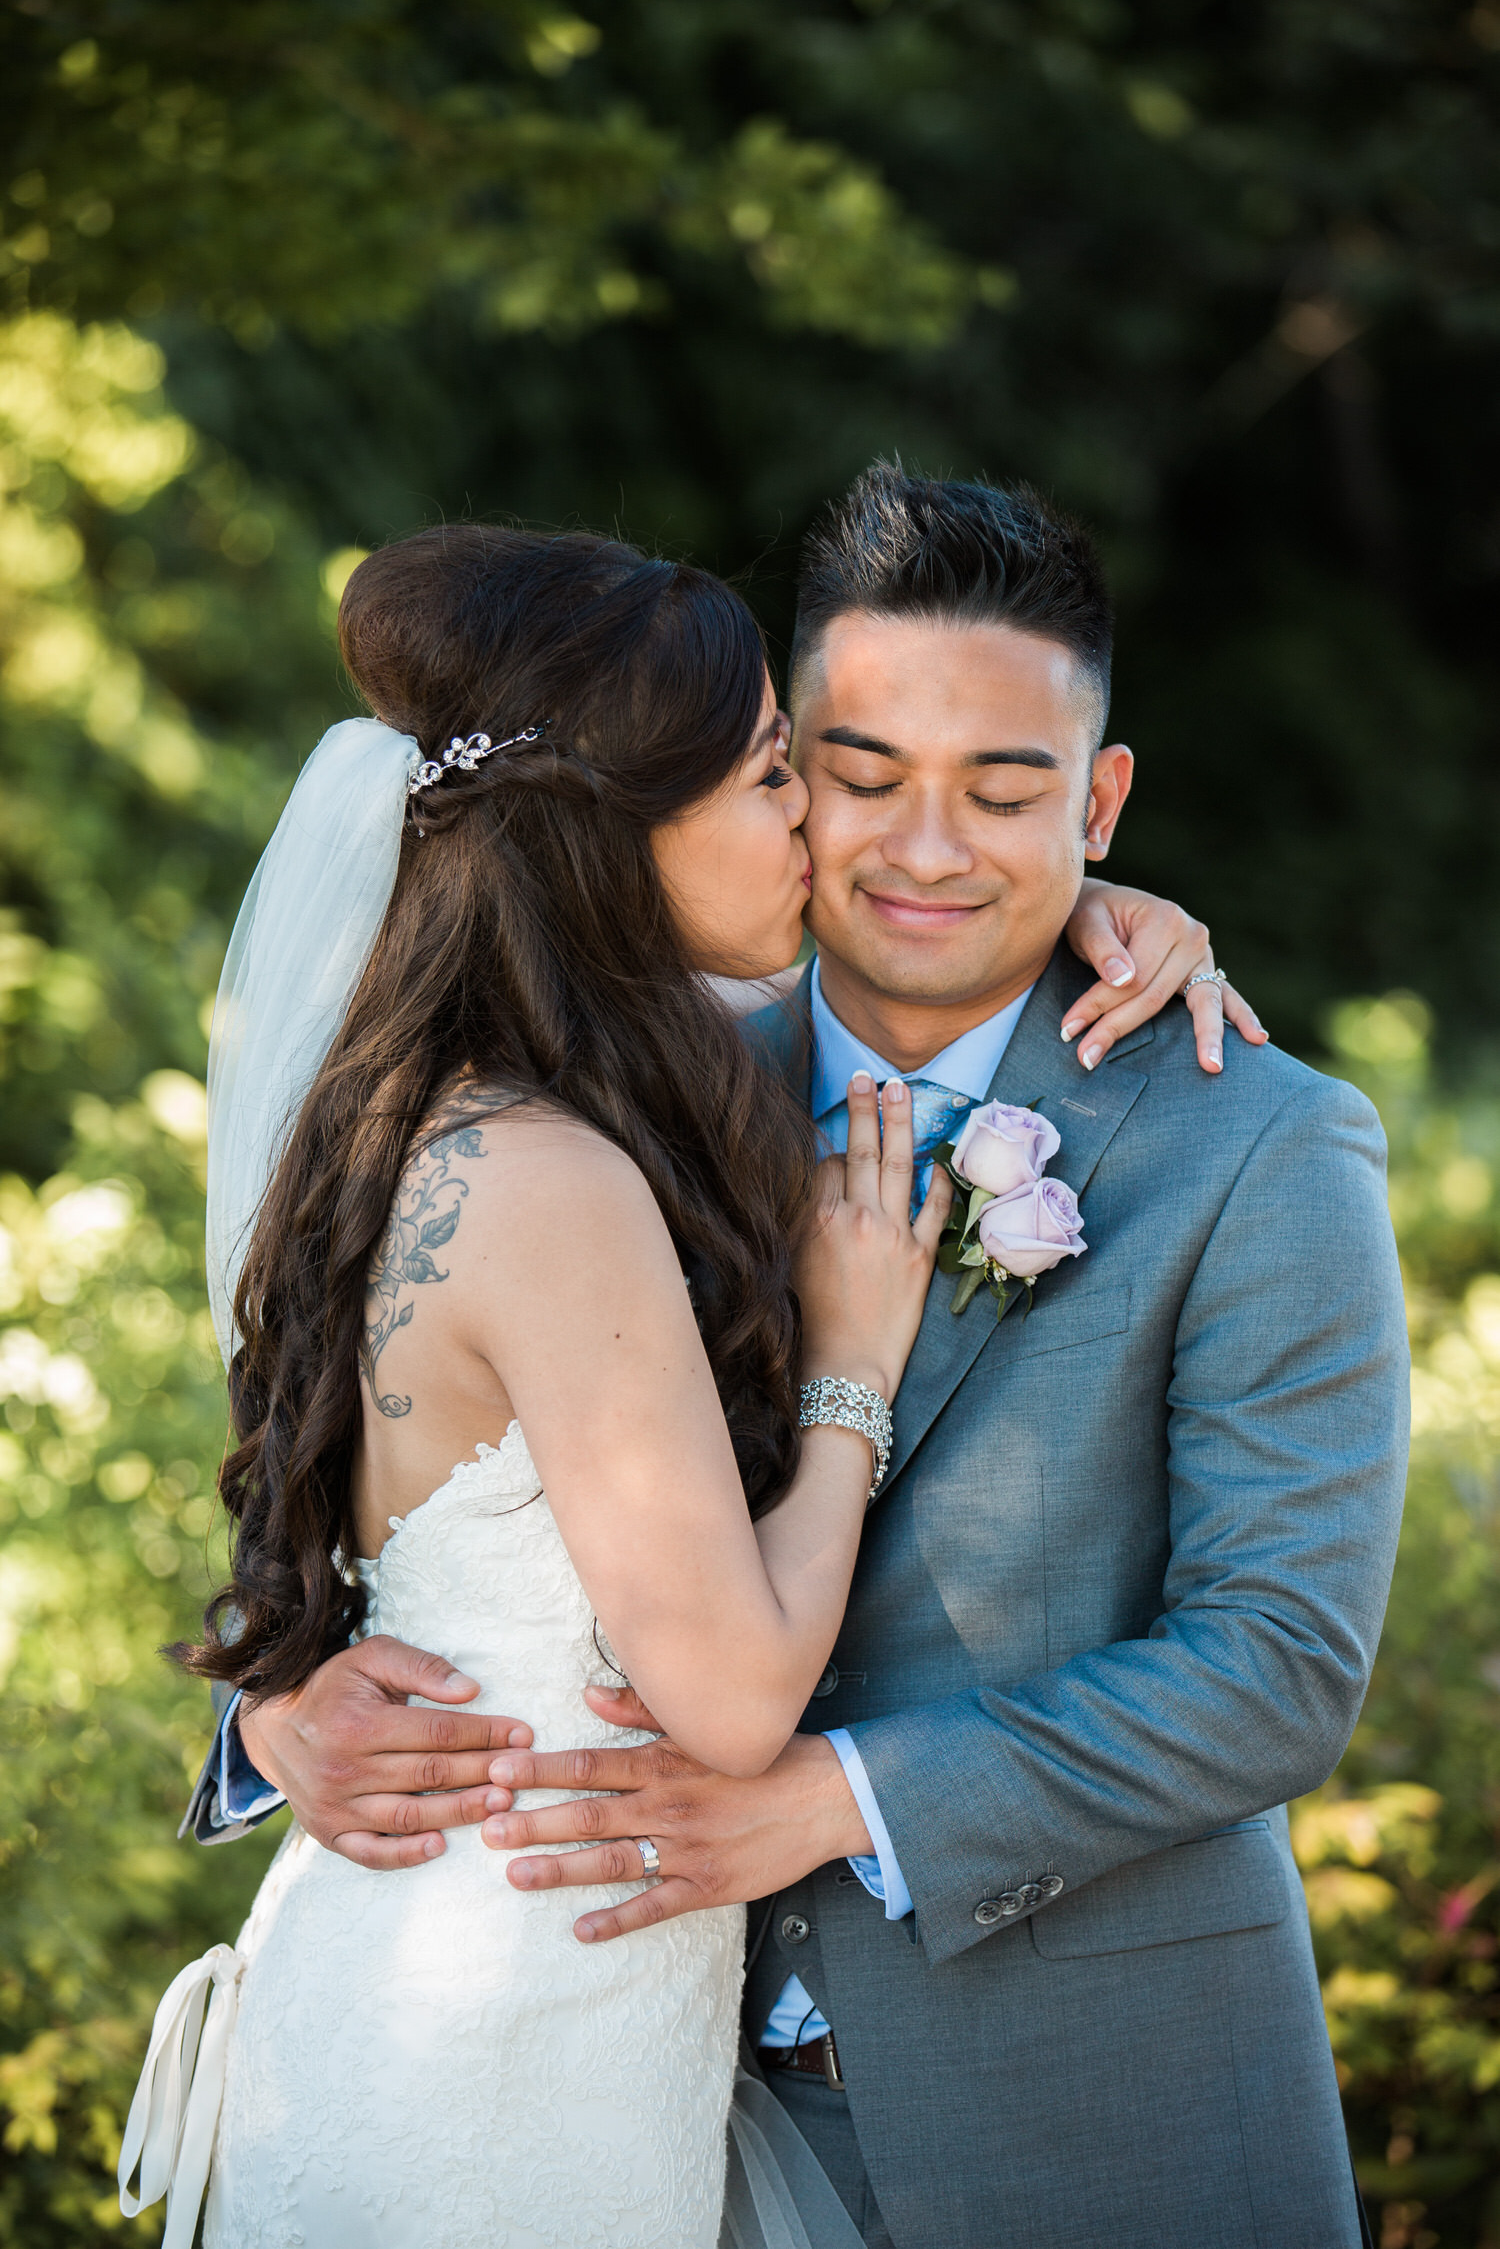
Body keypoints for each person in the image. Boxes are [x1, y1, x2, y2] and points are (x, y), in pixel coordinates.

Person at [214, 468, 1409, 2248]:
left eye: (1003, 792)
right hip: (641, 2110)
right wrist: (276, 1708)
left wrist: (834, 1800)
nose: (926, 849)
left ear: (1099, 801)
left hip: (1099, 2127)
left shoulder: (1262, 1145)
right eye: (853, 775)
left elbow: (1280, 1663)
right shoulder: (614, 1100)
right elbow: (371, 1433)